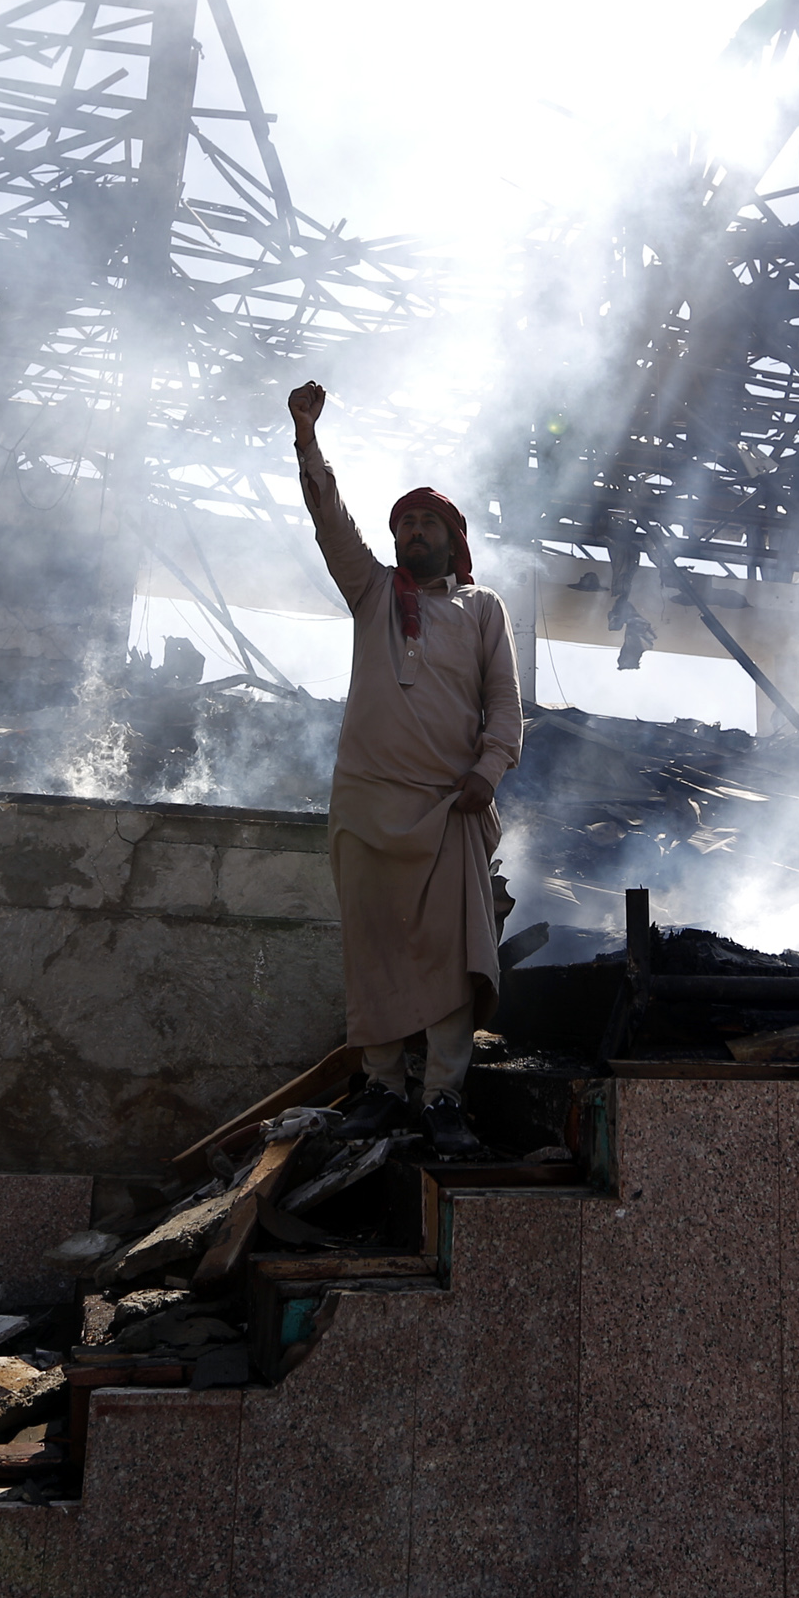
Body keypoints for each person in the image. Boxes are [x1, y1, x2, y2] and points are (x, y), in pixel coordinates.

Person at [288, 379, 521, 1156]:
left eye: (428, 522)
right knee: (375, 950)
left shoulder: (482, 609)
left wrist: (488, 772)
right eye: (404, 523)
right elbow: (331, 523)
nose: (413, 531)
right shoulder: (372, 592)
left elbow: (505, 704)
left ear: (453, 540)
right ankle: (384, 1089)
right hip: (366, 804)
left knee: (453, 958)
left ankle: (443, 1096)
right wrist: (307, 438)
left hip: (448, 809)